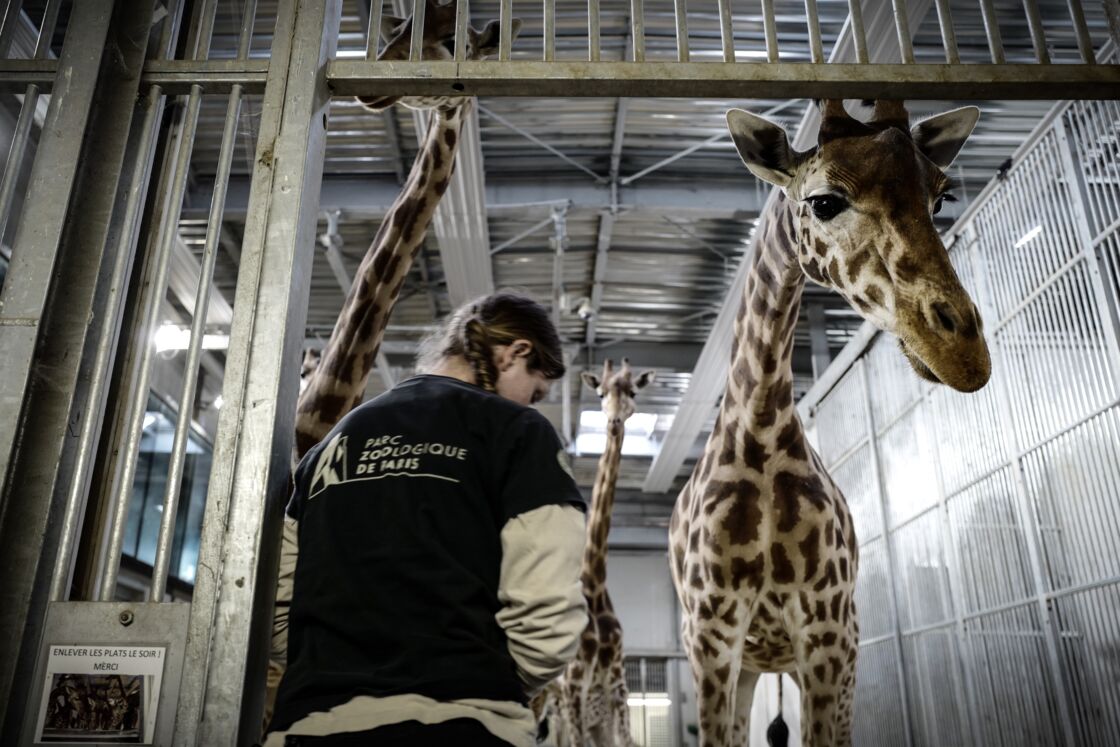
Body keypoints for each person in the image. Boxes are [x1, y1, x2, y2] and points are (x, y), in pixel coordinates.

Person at [265, 292, 588, 746]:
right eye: (534, 392)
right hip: (463, 723)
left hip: (312, 726)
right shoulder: (517, 431)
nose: (530, 405)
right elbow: (548, 611)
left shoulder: (331, 445)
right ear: (516, 352)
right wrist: (490, 684)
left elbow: (279, 609)